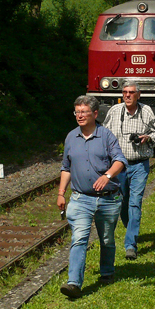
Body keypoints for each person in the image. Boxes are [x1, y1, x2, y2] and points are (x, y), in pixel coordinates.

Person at [57, 95, 127, 298]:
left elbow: (120, 161)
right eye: (76, 112)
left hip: (107, 198)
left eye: (83, 112)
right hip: (81, 199)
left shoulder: (106, 136)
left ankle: (107, 272)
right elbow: (66, 168)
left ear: (95, 114)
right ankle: (74, 283)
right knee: (79, 239)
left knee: (106, 238)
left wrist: (107, 176)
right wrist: (61, 193)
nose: (79, 115)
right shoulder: (71, 137)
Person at [103, 81, 155, 260]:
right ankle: (131, 228)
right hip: (118, 166)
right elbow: (104, 134)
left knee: (135, 203)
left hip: (139, 165)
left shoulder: (146, 112)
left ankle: (131, 245)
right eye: (125, 92)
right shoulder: (114, 112)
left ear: (138, 94)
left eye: (131, 92)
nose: (127, 95)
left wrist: (148, 137)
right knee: (122, 203)